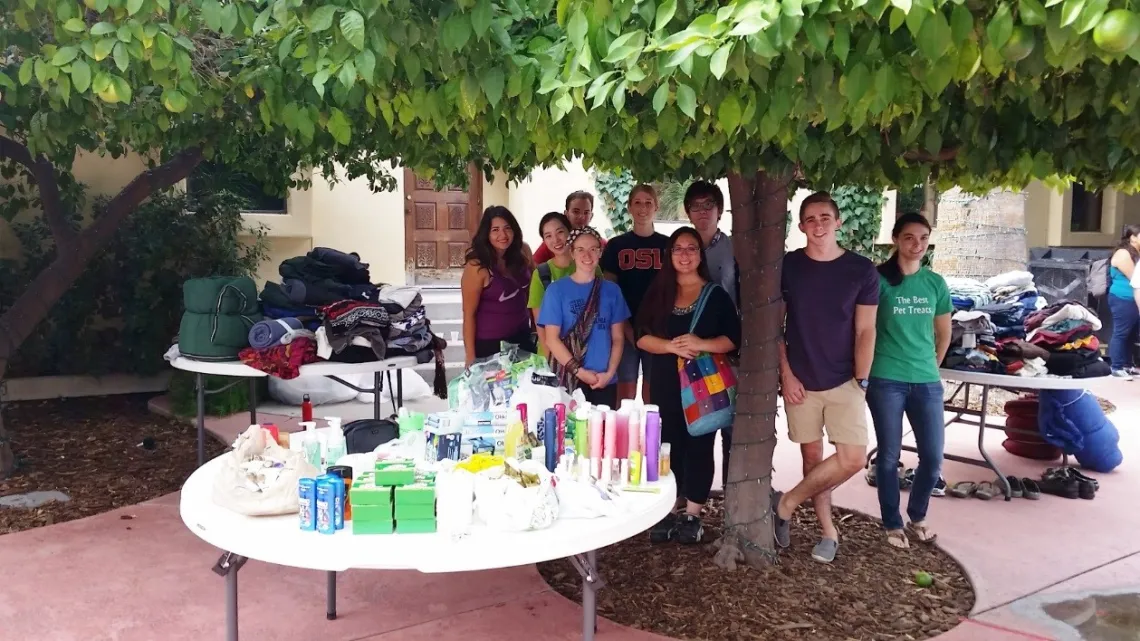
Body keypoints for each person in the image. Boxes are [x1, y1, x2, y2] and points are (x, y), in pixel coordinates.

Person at [773, 191, 879, 564]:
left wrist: (861, 380)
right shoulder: (790, 266)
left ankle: (786, 503)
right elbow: (776, 325)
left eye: (825, 218)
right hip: (800, 381)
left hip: (845, 380)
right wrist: (785, 374)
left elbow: (867, 330)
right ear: (801, 227)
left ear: (839, 222)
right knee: (813, 461)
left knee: (852, 458)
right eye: (810, 219)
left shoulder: (862, 270)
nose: (818, 225)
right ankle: (827, 532)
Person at [637, 227, 741, 544]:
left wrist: (701, 342)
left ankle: (693, 514)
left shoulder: (716, 295)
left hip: (703, 386)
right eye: (678, 249)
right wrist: (670, 347)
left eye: (691, 248)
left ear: (700, 254)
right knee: (668, 445)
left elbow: (732, 340)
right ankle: (671, 508)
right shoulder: (658, 291)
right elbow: (640, 335)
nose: (684, 255)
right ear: (670, 255)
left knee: (699, 445)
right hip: (667, 382)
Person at [865, 213, 952, 549]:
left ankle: (918, 515)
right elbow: (865, 328)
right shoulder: (878, 280)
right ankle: (892, 523)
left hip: (926, 381)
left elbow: (944, 333)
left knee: (932, 457)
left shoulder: (935, 284)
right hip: (886, 378)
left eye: (923, 239)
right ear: (896, 239)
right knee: (889, 456)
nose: (917, 245)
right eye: (909, 238)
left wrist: (933, 367)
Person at [682, 180, 740, 494]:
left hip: (728, 346)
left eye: (709, 205)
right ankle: (694, 499)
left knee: (731, 424)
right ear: (688, 212)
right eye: (696, 206)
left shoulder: (734, 248)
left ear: (719, 210)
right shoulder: (681, 247)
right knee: (697, 425)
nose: (703, 212)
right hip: (691, 351)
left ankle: (732, 496)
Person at [538, 227, 630, 406]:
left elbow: (618, 338)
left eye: (593, 249)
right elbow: (551, 340)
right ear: (572, 252)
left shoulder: (612, 291)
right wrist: (579, 372)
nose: (587, 255)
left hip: (604, 380)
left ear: (600, 252)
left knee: (603, 432)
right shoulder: (556, 291)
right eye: (580, 249)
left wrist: (609, 374)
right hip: (569, 379)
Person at [601, 184, 670, 403]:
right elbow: (609, 291)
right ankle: (623, 435)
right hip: (624, 328)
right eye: (637, 203)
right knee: (625, 391)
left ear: (656, 207)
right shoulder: (616, 246)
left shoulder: (668, 245)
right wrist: (624, 327)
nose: (643, 208)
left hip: (659, 330)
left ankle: (655, 436)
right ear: (629, 207)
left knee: (654, 391)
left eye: (648, 203)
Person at [460, 206, 535, 367]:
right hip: (489, 345)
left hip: (523, 338)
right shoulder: (476, 266)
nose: (503, 235)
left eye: (507, 228)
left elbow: (532, 296)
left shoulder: (524, 252)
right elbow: (469, 314)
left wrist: (536, 331)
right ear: (486, 234)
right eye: (495, 230)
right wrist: (470, 358)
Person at [528, 212, 601, 356]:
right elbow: (540, 324)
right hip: (553, 355)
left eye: (560, 232)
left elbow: (601, 309)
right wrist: (550, 359)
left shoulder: (590, 265)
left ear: (570, 232)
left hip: (588, 353)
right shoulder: (542, 274)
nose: (556, 240)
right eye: (548, 236)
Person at [532, 191, 605, 264]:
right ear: (566, 214)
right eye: (576, 212)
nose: (581, 217)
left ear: (591, 216)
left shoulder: (601, 243)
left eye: (586, 212)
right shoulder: (554, 242)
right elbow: (533, 266)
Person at [1107, 224, 1140, 379]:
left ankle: (1128, 364)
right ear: (1133, 237)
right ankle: (1117, 366)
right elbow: (1135, 278)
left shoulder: (1136, 253)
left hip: (1134, 299)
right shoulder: (1123, 253)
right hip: (1123, 298)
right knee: (1121, 332)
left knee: (1132, 334)